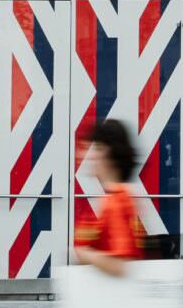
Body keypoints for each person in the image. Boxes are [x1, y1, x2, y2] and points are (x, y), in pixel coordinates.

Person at [73, 119, 144, 277]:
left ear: (107, 153)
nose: (87, 154)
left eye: (95, 147)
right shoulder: (117, 196)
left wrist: (84, 254)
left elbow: (120, 267)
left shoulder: (116, 202)